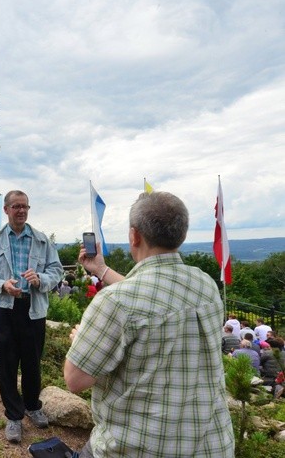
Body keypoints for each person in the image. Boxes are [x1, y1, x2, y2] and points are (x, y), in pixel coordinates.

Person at [65, 191, 234, 458]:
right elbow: (155, 297)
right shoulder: (206, 285)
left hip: (136, 448)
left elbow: (75, 380)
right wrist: (101, 269)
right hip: (211, 447)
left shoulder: (115, 302)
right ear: (181, 234)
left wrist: (82, 342)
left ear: (134, 236)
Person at [0, 190, 63, 443]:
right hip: (4, 308)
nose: (21, 210)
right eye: (16, 206)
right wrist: (2, 284)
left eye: (25, 206)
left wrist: (41, 279)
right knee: (7, 363)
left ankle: (33, 406)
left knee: (33, 361)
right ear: (6, 210)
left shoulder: (42, 240)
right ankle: (14, 416)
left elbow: (56, 270)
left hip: (33, 309)